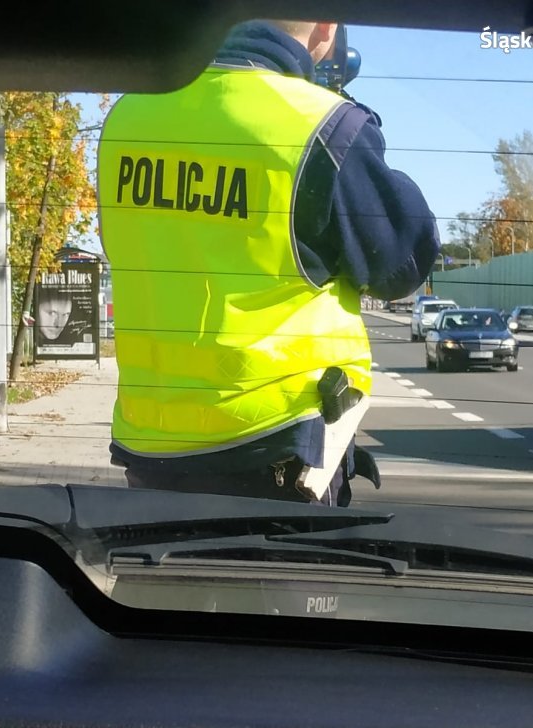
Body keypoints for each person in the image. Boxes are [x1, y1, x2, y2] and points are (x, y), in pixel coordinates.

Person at [97, 19, 440, 506]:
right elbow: (403, 264)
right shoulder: (322, 126)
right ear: (325, 26)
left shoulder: (129, 114)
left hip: (150, 442)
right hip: (274, 445)